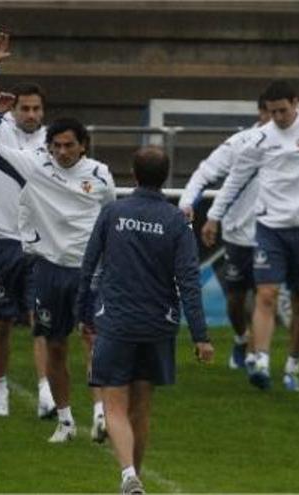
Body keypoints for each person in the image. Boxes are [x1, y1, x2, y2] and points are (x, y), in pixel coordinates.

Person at [78, 146, 213, 494]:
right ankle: (134, 478)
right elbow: (188, 281)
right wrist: (200, 336)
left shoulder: (113, 212)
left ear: (133, 176)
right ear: (165, 178)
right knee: (142, 407)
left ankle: (127, 475)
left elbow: (89, 266)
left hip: (116, 321)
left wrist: (83, 313)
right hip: (157, 325)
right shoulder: (176, 222)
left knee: (114, 404)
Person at [0, 92, 116, 443]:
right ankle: (66, 420)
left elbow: (109, 220)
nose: (61, 152)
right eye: (55, 145)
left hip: (89, 273)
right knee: (55, 345)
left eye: (68, 145)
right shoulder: (35, 165)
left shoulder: (101, 176)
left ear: (83, 146)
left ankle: (101, 414)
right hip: (48, 269)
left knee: (93, 340)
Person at [217, 80, 299, 391]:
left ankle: (293, 364)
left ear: (296, 102)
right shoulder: (260, 139)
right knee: (266, 295)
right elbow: (235, 179)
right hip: (269, 228)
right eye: (272, 112)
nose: (278, 117)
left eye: (283, 110)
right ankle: (260, 360)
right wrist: (214, 213)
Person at [0, 32, 56, 418]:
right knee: (2, 321)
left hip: (40, 243)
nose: (32, 115)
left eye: (38, 109)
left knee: (41, 320)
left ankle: (45, 392)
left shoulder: (57, 141)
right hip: (2, 238)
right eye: (26, 108)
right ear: (14, 108)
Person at [181, 96, 269, 370]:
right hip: (238, 234)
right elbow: (205, 172)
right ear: (262, 112)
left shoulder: (298, 142)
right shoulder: (241, 142)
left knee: (266, 294)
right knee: (236, 298)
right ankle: (241, 338)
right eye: (272, 111)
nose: (278, 118)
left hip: (273, 232)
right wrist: (186, 204)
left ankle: (257, 356)